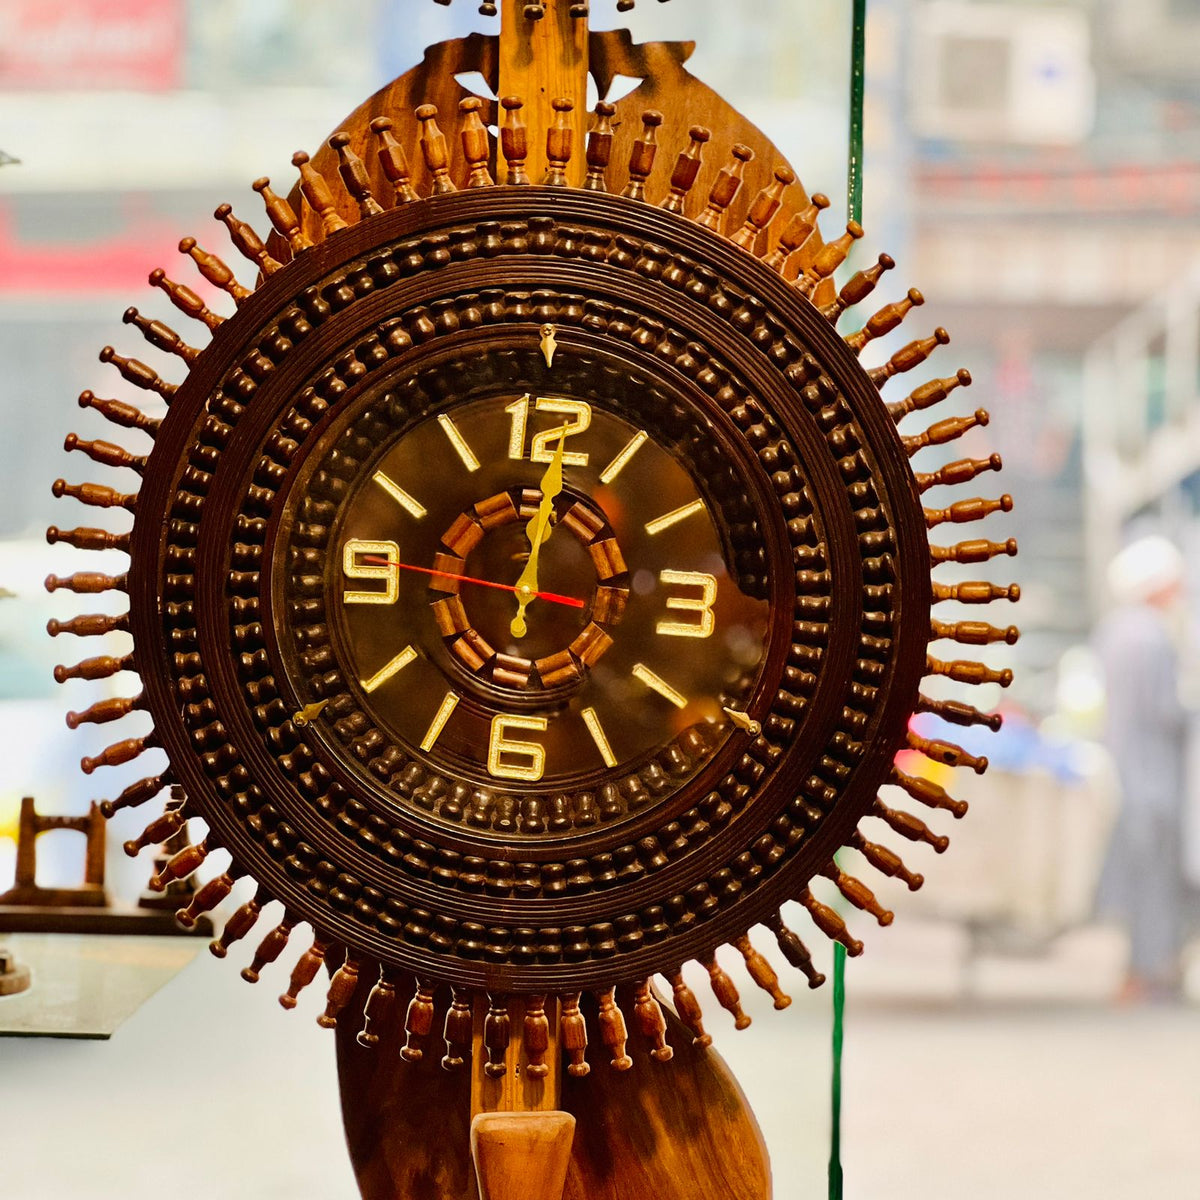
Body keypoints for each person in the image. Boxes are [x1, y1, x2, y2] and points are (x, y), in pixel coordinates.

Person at [1095, 535, 1189, 1001]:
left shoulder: (1116, 630)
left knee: (1140, 878)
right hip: (1155, 781)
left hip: (1126, 775)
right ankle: (1151, 976)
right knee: (1156, 881)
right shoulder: (1152, 636)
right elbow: (1166, 711)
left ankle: (1142, 971)